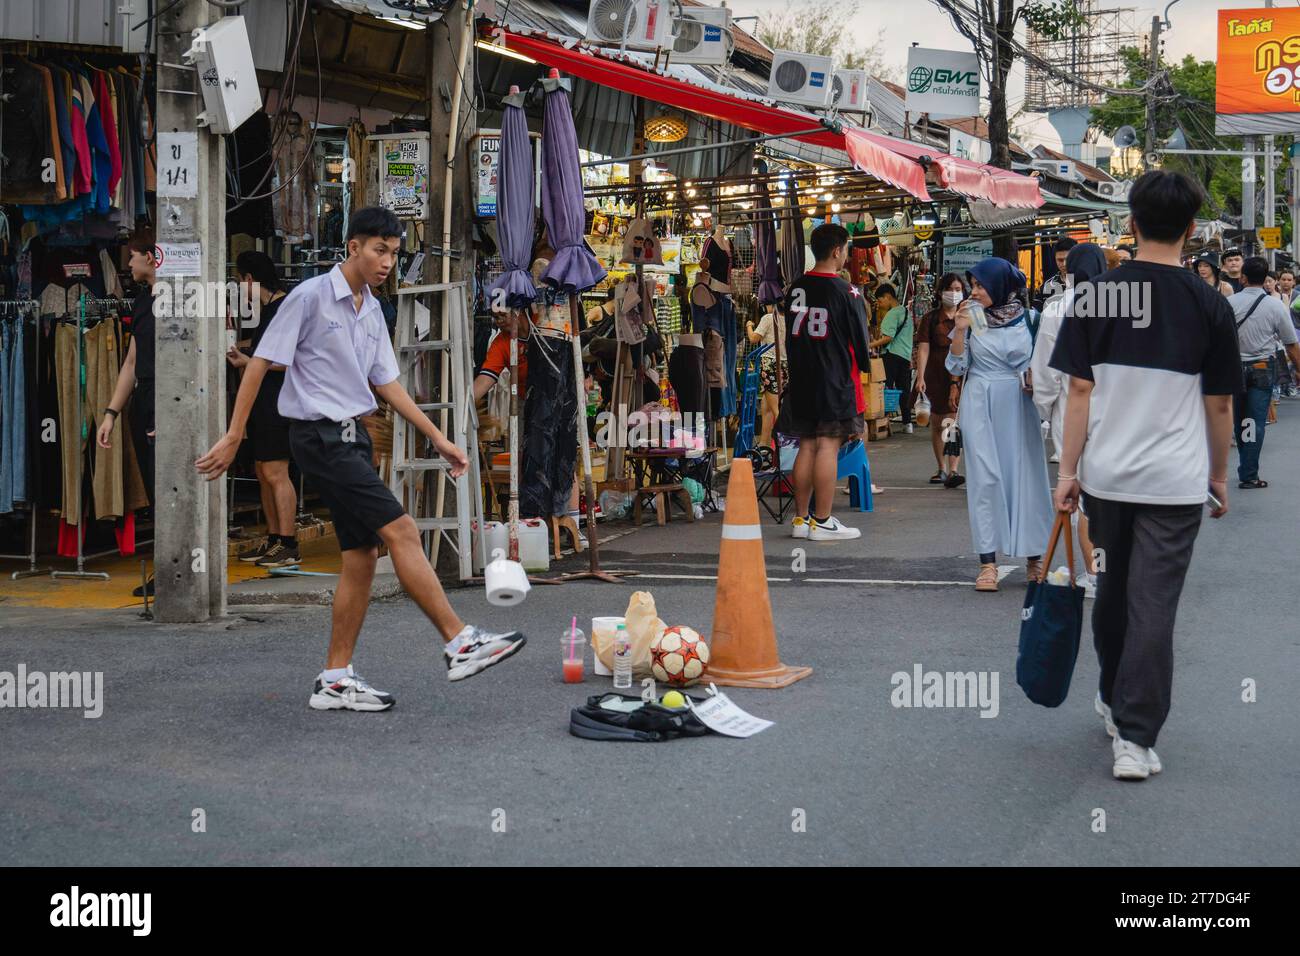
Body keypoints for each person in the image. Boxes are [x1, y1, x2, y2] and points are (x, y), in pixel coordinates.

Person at [197, 207, 526, 712]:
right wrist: (235, 434)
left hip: (354, 438)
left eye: (394, 253)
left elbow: (386, 383)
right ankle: (460, 641)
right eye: (379, 250)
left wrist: (437, 437)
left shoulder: (371, 309)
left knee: (360, 558)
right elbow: (261, 363)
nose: (387, 261)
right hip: (319, 436)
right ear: (353, 247)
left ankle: (334, 678)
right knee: (402, 532)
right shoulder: (308, 298)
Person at [1051, 169, 1237, 781]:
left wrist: (1068, 470)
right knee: (1153, 603)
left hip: (1105, 480)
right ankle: (1134, 737)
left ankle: (1111, 695)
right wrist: (1218, 474)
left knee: (1112, 592)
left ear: (1130, 223)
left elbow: (1078, 389)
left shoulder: (1097, 296)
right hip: (1176, 483)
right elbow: (1218, 405)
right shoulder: (1210, 304)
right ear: (1190, 229)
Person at [946, 257, 1053, 592]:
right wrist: (959, 331)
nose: (974, 292)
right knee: (984, 478)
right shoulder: (972, 318)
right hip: (980, 400)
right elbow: (956, 366)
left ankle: (1035, 559)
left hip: (1019, 402)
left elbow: (1045, 363)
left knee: (1027, 476)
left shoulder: (1032, 319)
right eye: (973, 285)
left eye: (980, 285)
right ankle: (987, 564)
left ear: (1000, 286)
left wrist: (1036, 378)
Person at [778, 222, 869, 542]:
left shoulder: (795, 288)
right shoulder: (847, 291)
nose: (846, 255)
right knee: (828, 446)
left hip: (802, 377)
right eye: (845, 249)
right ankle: (823, 520)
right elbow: (861, 342)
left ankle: (801, 519)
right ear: (836, 251)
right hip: (834, 379)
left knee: (806, 444)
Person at [1030, 242, 1108, 597]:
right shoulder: (1123, 307)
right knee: (1111, 494)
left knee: (1081, 494)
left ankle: (1094, 575)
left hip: (1070, 412)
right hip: (1115, 414)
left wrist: (1044, 413)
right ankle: (1113, 571)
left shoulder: (1057, 308)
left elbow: (1046, 372)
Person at [225, 251, 298, 568]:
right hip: (262, 401)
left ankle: (288, 542)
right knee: (261, 469)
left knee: (276, 471)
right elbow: (261, 349)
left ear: (249, 279)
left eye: (240, 281)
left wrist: (251, 363)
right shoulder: (270, 309)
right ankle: (273, 538)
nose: (241, 289)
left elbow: (292, 358)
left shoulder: (286, 307)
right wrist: (241, 350)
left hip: (277, 402)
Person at [97, 232, 157, 597]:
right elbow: (131, 362)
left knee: (170, 487)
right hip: (145, 398)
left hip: (168, 399)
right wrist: (110, 413)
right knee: (153, 486)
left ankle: (176, 572)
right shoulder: (142, 301)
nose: (128, 265)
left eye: (132, 257)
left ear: (150, 257)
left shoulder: (178, 298)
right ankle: (166, 571)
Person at [1228, 256, 1300, 489]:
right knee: (1255, 420)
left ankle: (1245, 466)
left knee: (1240, 419)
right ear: (1268, 278)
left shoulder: (1230, 303)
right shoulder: (1275, 306)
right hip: (1262, 368)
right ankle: (1249, 473)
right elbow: (1291, 343)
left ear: (1243, 277)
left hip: (1235, 368)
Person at [914, 272, 965, 487]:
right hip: (935, 373)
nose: (953, 294)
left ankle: (954, 470)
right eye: (949, 289)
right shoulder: (931, 318)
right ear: (940, 291)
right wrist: (920, 376)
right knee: (936, 423)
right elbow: (923, 348)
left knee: (952, 423)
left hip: (958, 375)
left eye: (957, 289)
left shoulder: (967, 317)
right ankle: (941, 468)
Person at [871, 283, 915, 434]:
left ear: (888, 297)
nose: (879, 304)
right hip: (905, 356)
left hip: (891, 356)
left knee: (887, 388)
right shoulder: (907, 313)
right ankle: (907, 423)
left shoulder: (892, 314)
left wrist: (870, 345)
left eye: (880, 300)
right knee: (904, 390)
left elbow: (888, 338)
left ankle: (885, 420)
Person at [745, 304, 787, 452]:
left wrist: (749, 325)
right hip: (784, 364)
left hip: (769, 365)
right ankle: (764, 444)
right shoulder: (788, 319)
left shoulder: (768, 318)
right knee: (767, 407)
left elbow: (753, 338)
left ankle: (785, 445)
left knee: (776, 410)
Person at [1038, 237, 1077, 303]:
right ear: (1055, 259)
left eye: (1068, 259)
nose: (1064, 264)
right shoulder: (1047, 286)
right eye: (1060, 260)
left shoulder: (1086, 283)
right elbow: (1037, 311)